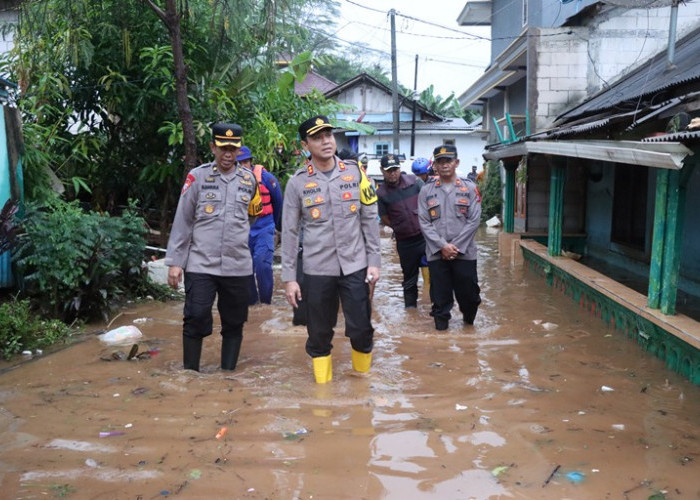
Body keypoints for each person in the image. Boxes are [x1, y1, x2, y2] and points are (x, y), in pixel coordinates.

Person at [281, 115, 381, 383]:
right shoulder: (297, 183)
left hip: (355, 265)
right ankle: (322, 395)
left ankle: (362, 387)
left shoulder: (355, 172)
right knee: (319, 333)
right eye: (317, 137)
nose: (326, 141)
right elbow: (289, 233)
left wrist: (374, 262)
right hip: (317, 269)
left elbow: (369, 219)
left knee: (361, 328)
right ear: (306, 144)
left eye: (328, 135)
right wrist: (290, 279)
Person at [165, 123, 262, 371]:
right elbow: (183, 220)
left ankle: (228, 376)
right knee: (196, 316)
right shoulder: (197, 177)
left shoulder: (249, 180)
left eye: (233, 148)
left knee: (234, 322)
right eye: (223, 148)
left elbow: (250, 218)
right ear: (212, 147)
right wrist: (176, 262)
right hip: (200, 264)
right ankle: (190, 375)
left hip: (237, 265)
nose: (228, 154)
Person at [418, 145, 482, 331]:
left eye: (448, 161)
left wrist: (454, 246)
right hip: (437, 254)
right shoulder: (426, 191)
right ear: (435, 165)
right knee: (440, 301)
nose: (444, 165)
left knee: (470, 297)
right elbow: (424, 222)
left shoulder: (470, 188)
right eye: (440, 161)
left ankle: (469, 327)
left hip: (465, 254)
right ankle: (441, 342)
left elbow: (474, 220)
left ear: (456, 162)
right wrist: (442, 246)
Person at [376, 154, 429, 308]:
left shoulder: (415, 182)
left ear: (400, 168)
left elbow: (429, 203)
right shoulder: (382, 193)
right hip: (405, 242)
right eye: (389, 170)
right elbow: (384, 217)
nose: (393, 173)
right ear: (382, 171)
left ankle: (437, 308)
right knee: (410, 279)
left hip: (425, 237)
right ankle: (411, 312)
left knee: (437, 274)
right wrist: (399, 226)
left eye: (395, 169)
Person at [236, 146, 283, 305]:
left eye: (245, 162)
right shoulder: (230, 181)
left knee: (262, 265)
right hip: (242, 228)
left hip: (264, 225)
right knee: (245, 268)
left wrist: (273, 227)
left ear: (250, 162)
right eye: (239, 163)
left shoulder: (267, 178)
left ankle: (265, 305)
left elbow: (278, 202)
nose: (242, 166)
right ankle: (252, 304)